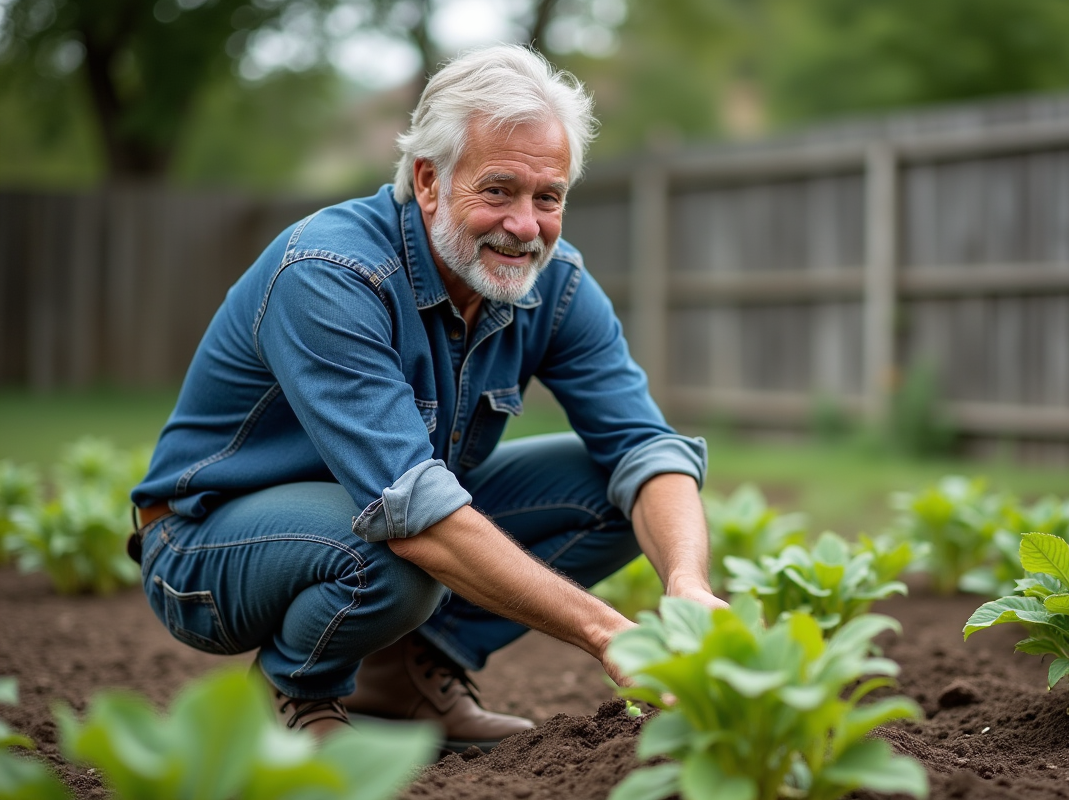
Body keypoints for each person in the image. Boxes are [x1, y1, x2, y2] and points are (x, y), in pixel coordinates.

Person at [128, 44, 721, 750]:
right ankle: (293, 694)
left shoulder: (555, 285)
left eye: (548, 197)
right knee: (388, 552)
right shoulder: (330, 272)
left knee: (618, 489)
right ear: (430, 181)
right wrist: (607, 632)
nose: (527, 226)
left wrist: (686, 581)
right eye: (498, 190)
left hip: (371, 521)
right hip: (207, 547)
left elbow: (648, 448)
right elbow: (408, 508)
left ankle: (404, 676)